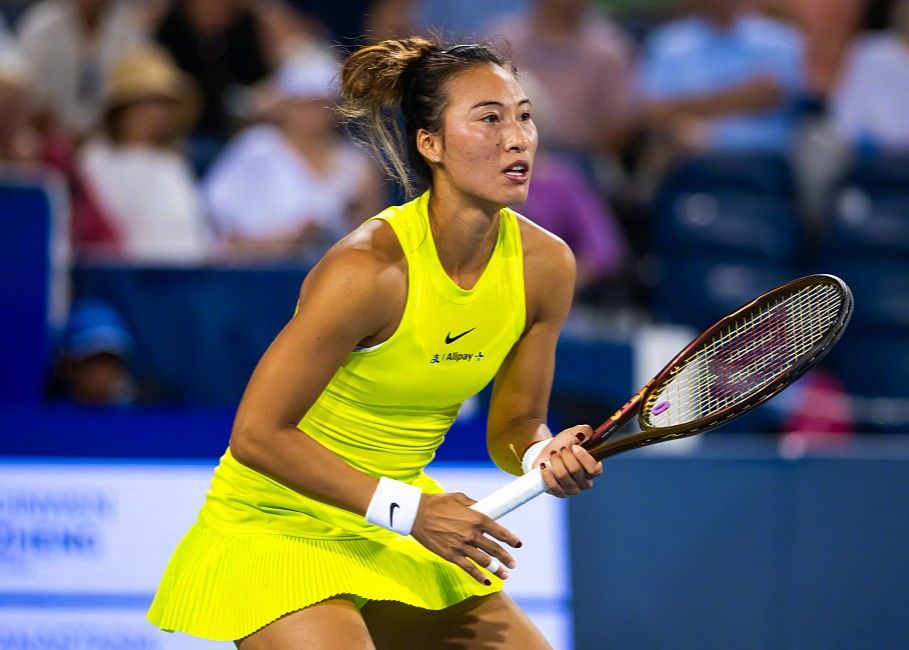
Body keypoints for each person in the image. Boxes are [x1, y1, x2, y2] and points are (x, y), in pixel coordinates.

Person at [147, 37, 603, 647]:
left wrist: (538, 455)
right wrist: (409, 512)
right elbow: (257, 434)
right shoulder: (368, 269)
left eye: (523, 115)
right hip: (279, 522)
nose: (517, 137)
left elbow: (517, 420)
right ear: (430, 144)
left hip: (397, 524)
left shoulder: (547, 265)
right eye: (489, 119)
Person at [203, 51, 385, 260]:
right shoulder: (256, 146)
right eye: (303, 104)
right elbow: (218, 217)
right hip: (252, 272)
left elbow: (370, 237)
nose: (312, 114)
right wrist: (281, 241)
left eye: (320, 105)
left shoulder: (357, 164)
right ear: (286, 106)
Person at [78, 46, 210, 263]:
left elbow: (195, 229)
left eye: (162, 105)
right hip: (127, 280)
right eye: (144, 103)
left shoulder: (173, 163)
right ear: (120, 109)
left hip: (187, 280)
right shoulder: (95, 159)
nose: (154, 115)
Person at [637, 0, 806, 157]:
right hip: (689, 160)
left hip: (763, 160)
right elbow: (653, 112)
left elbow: (782, 95)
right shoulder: (669, 43)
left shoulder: (780, 39)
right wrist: (744, 97)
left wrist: (685, 107)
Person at [16, 0, 147, 137]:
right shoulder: (41, 26)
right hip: (47, 135)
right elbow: (28, 88)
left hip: (109, 135)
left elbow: (135, 89)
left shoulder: (131, 30)